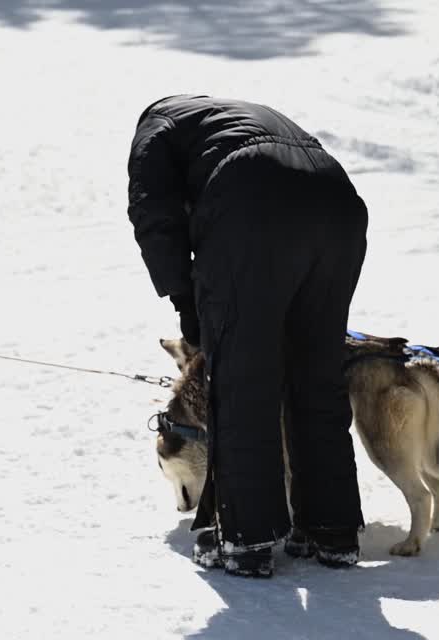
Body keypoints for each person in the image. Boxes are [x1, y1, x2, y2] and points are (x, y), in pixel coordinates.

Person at [126, 95, 369, 578]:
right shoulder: (224, 118)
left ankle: (247, 539)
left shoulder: (154, 127)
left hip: (254, 201)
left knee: (242, 382)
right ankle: (331, 531)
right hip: (337, 201)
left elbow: (156, 219)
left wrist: (187, 307)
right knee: (317, 374)